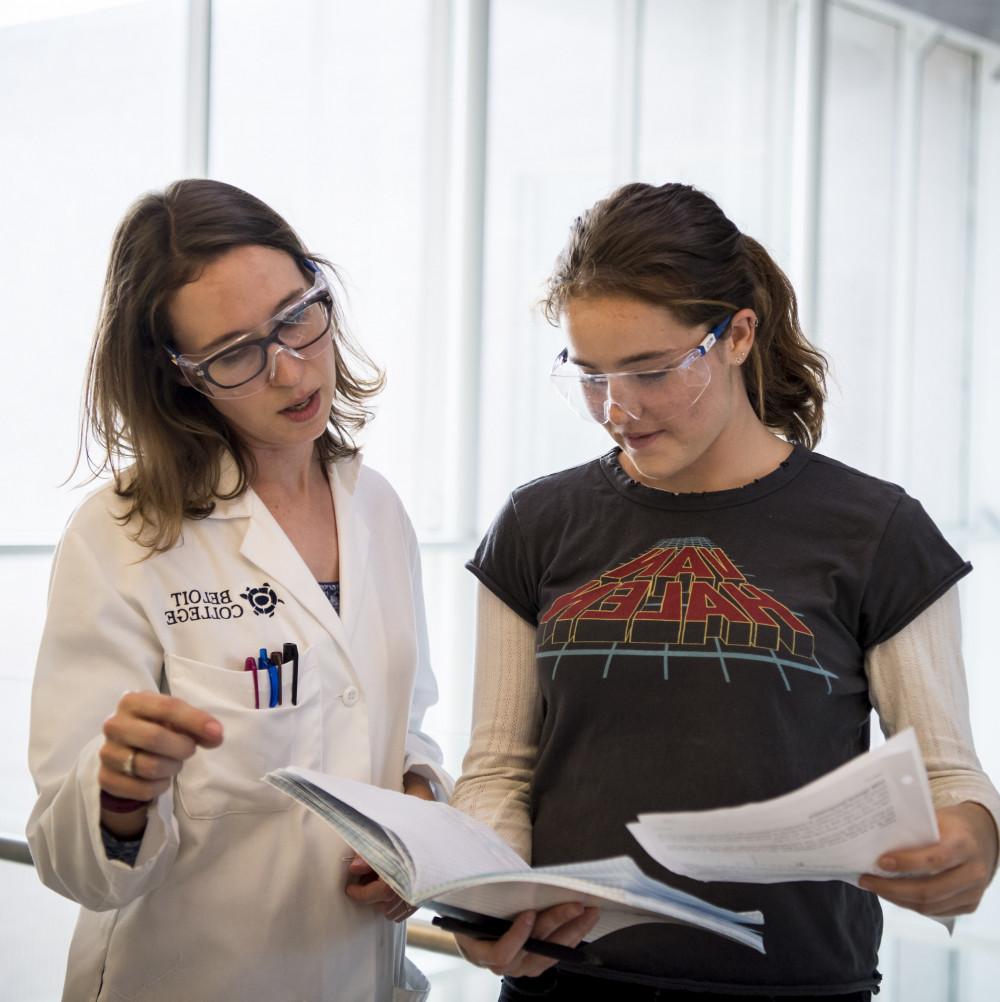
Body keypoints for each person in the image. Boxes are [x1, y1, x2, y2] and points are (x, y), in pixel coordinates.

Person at [449, 181, 1000, 1000]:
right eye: (591, 375)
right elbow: (499, 771)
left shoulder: (875, 531)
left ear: (738, 335)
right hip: (567, 984)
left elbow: (952, 780)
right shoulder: (539, 522)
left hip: (797, 989)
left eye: (650, 371)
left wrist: (972, 844)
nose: (616, 410)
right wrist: (488, 914)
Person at [26, 178, 450, 1002]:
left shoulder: (377, 507)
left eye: (298, 315)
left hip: (366, 975)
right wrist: (118, 797)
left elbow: (406, 726)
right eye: (234, 354)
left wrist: (415, 814)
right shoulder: (122, 536)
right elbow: (72, 862)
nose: (290, 367)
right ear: (181, 376)